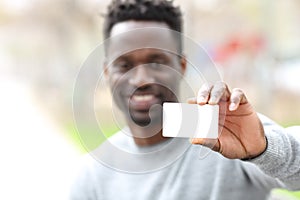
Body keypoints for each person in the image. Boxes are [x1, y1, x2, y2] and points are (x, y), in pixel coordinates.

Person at [70, 0, 300, 199]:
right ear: (107, 72)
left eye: (155, 62)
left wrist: (263, 149)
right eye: (124, 65)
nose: (140, 79)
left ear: (181, 65)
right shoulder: (92, 175)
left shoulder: (223, 130)